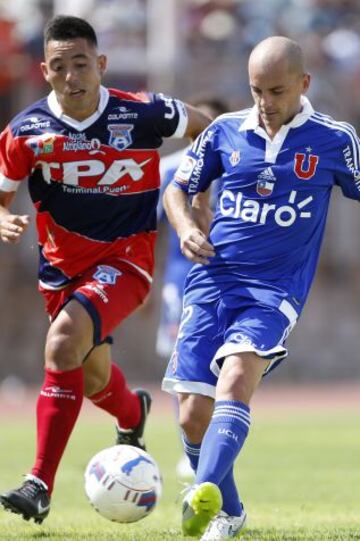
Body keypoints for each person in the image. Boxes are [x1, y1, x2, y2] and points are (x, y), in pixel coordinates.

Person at [0, 15, 210, 524]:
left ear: (101, 64)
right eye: (58, 67)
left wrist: (198, 192)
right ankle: (132, 412)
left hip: (126, 262)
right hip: (60, 273)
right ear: (44, 72)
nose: (71, 76)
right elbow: (1, 194)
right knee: (91, 377)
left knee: (61, 344)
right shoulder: (25, 132)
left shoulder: (144, 112)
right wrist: (4, 217)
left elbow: (208, 127)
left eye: (80, 63)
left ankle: (38, 484)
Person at [161, 35, 360, 541]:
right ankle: (229, 508)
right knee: (191, 417)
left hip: (274, 291)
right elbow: (177, 188)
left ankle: (203, 496)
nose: (266, 104)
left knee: (235, 381)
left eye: (276, 91)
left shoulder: (334, 140)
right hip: (211, 281)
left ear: (304, 84)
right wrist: (186, 227)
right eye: (256, 92)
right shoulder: (225, 131)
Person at [156, 97, 229, 480]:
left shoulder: (237, 163)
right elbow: (145, 222)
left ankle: (216, 440)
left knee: (226, 363)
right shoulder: (171, 170)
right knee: (181, 360)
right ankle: (192, 447)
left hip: (229, 278)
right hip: (181, 281)